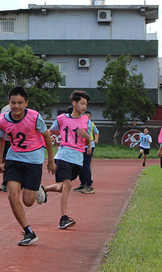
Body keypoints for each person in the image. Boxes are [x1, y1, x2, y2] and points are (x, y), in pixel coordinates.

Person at [0, 86, 55, 246]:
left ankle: (37, 189)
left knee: (28, 201)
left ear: (26, 103)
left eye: (20, 103)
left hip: (34, 159)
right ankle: (28, 232)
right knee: (12, 195)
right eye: (13, 103)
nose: (16, 106)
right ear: (9, 103)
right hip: (14, 159)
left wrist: (50, 160)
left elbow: (47, 138)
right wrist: (0, 161)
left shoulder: (34, 117)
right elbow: (1, 139)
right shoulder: (2, 120)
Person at [43, 90, 92, 229]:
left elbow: (88, 140)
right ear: (74, 103)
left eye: (86, 105)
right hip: (63, 155)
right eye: (82, 103)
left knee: (64, 187)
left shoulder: (86, 120)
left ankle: (43, 189)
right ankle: (63, 219)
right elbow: (49, 132)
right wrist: (47, 139)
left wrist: (88, 139)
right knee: (68, 185)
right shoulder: (61, 118)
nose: (84, 107)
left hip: (77, 158)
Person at [74, 110, 99, 194]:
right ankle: (83, 184)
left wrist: (93, 142)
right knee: (79, 166)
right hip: (80, 146)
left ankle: (89, 185)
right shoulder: (79, 122)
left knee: (86, 165)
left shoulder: (90, 124)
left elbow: (94, 133)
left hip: (89, 145)